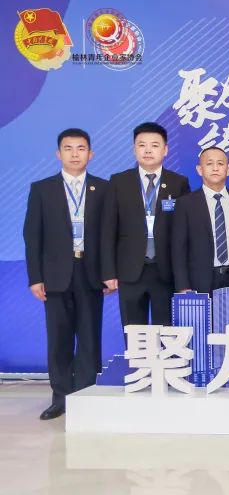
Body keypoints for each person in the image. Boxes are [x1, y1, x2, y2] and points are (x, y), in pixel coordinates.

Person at [24, 128, 109, 420]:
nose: (75, 154)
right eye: (68, 148)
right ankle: (60, 398)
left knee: (89, 337)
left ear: (91, 154)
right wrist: (35, 277)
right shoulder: (42, 189)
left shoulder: (104, 188)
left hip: (91, 273)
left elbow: (110, 235)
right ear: (58, 154)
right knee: (59, 338)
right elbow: (32, 236)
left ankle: (86, 396)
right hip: (55, 275)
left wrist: (109, 273)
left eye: (81, 148)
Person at [101, 122, 190, 326]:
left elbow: (184, 232)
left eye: (154, 145)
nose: (148, 150)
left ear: (165, 150)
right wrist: (108, 272)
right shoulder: (119, 182)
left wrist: (184, 276)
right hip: (129, 270)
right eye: (142, 145)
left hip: (165, 270)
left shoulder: (178, 183)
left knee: (166, 331)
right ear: (134, 150)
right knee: (133, 332)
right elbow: (107, 230)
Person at [171, 146, 229, 293]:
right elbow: (179, 248)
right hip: (200, 279)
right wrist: (183, 285)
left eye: (220, 163)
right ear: (199, 169)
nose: (215, 168)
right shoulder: (186, 203)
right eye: (209, 163)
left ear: (228, 169)